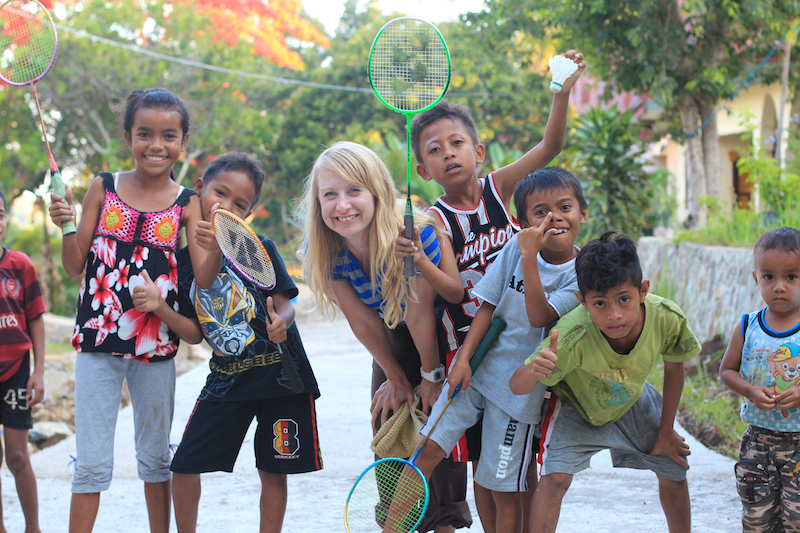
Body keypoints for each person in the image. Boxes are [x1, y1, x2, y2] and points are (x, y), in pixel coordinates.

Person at [396, 50, 585, 531]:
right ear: (423, 170)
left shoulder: (503, 191)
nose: (447, 153)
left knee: (506, 468)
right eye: (434, 150)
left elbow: (551, 146)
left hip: (521, 349)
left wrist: (561, 93)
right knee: (478, 461)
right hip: (469, 349)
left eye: (456, 142)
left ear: (478, 152)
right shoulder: (434, 219)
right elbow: (457, 292)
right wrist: (419, 259)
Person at [48, 88, 219, 533]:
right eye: (145, 134)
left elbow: (202, 279)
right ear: (128, 136)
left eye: (169, 135)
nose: (156, 145)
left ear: (183, 141)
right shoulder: (103, 187)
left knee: (156, 460)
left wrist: (214, 241)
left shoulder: (187, 204)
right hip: (98, 344)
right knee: (90, 464)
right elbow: (73, 266)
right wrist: (66, 222)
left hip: (156, 347)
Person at [134, 152, 323, 533]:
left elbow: (287, 305)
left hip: (281, 378)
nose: (227, 206)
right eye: (220, 193)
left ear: (249, 213)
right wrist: (158, 307)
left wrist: (281, 324)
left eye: (241, 204)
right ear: (200, 189)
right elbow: (193, 331)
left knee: (273, 471)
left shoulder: (259, 247)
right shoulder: (179, 263)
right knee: (185, 465)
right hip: (227, 379)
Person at [298, 141, 469, 532]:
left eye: (354, 191)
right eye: (330, 195)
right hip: (390, 337)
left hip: (438, 339)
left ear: (376, 192)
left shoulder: (415, 234)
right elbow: (362, 320)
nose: (342, 206)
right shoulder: (325, 247)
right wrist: (394, 377)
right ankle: (396, 522)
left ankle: (442, 524)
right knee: (388, 420)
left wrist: (430, 377)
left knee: (434, 435)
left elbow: (420, 312)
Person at [509, 231, 701, 533]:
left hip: (633, 398)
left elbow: (675, 370)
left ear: (643, 291)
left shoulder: (666, 318)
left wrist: (666, 432)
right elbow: (516, 386)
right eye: (600, 304)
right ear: (582, 301)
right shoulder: (571, 336)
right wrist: (534, 370)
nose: (614, 315)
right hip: (576, 405)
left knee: (674, 468)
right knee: (555, 478)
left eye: (624, 299)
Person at [719, 226, 800, 532]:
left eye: (791, 276)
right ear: (756, 279)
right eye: (769, 277)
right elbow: (726, 371)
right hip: (758, 442)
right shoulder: (747, 325)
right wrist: (750, 390)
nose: (779, 286)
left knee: (796, 520)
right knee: (756, 517)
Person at [0, 188, 46, 533]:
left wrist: (39, 371)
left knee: (16, 456)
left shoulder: (19, 265)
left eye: (0, 214)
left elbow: (36, 320)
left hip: (16, 371)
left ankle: (33, 528)